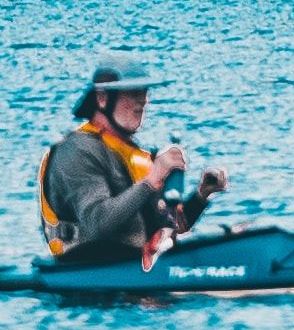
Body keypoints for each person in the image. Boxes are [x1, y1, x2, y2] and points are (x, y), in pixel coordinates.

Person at [36, 61, 218, 269]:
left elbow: (166, 226)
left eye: (144, 92)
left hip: (134, 267)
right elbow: (98, 224)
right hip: (88, 273)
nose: (143, 101)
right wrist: (151, 180)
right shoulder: (75, 152)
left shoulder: (130, 155)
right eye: (133, 93)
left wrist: (201, 196)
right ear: (103, 99)